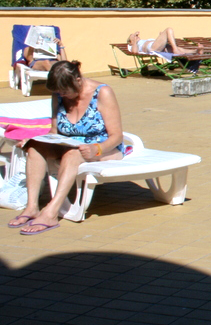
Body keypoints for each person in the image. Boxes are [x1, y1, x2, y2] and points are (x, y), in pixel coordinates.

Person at [8, 61, 125, 235]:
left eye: (64, 91)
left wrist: (96, 149)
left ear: (78, 80)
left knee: (73, 154)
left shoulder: (102, 93)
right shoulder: (59, 94)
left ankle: (51, 212)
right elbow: (54, 131)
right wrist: (35, 140)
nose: (61, 95)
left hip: (103, 148)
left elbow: (117, 136)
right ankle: (31, 207)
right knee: (34, 147)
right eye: (58, 92)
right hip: (68, 145)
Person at [128, 29, 201, 60]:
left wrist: (161, 37)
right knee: (168, 30)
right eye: (134, 36)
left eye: (136, 36)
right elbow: (135, 52)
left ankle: (195, 51)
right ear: (130, 41)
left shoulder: (143, 40)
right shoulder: (133, 45)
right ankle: (175, 49)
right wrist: (134, 41)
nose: (136, 37)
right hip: (152, 48)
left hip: (157, 45)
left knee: (178, 48)